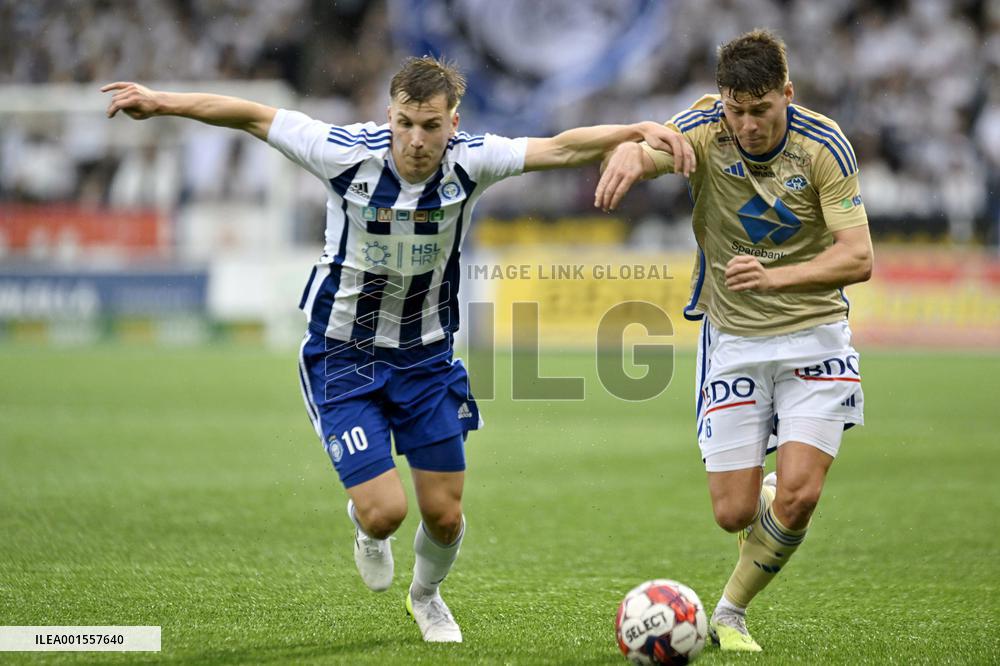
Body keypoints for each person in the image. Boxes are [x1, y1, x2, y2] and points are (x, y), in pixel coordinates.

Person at [102, 56, 692, 644]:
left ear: (452, 123)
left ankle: (427, 597)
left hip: (426, 359)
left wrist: (635, 131)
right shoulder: (343, 152)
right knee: (386, 511)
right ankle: (367, 527)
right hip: (343, 354)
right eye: (405, 122)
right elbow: (253, 116)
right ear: (390, 114)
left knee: (446, 514)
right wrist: (161, 101)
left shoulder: (473, 161)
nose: (416, 140)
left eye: (431, 126)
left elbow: (562, 148)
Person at [595, 30, 873, 652]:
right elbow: (656, 149)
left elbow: (858, 257)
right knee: (733, 513)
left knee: (800, 496)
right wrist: (631, 157)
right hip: (736, 341)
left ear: (787, 95)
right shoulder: (705, 126)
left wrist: (776, 277)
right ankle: (762, 499)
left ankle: (729, 612)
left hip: (815, 338)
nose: (746, 124)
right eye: (735, 109)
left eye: (760, 110)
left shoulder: (824, 146)